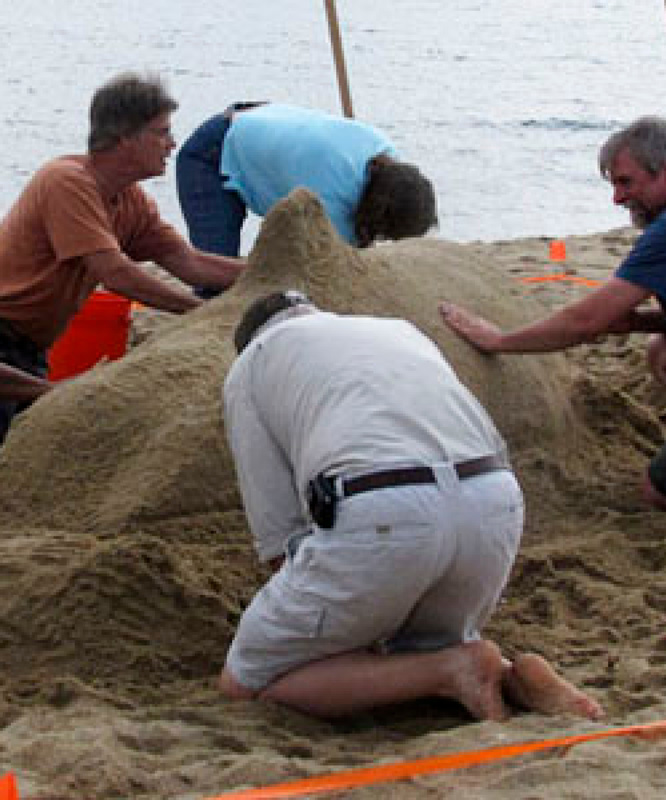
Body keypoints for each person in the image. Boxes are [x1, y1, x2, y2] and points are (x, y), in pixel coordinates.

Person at [218, 290, 602, 722]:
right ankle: (511, 677)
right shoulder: (397, 331)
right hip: (495, 501)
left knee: (248, 680)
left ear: (250, 340)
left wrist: (313, 619)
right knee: (412, 641)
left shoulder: (250, 366)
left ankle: (451, 669)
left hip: (384, 509)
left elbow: (280, 535)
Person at [440, 115, 666, 515]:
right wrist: (638, 320)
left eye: (626, 183)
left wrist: (500, 341)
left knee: (662, 492)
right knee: (662, 353)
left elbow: (585, 321)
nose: (617, 198)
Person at [0, 71, 244, 443]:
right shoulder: (66, 181)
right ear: (126, 138)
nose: (173, 144)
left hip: (32, 346)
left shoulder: (131, 200)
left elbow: (189, 263)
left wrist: (268, 269)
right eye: (162, 132)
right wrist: (202, 314)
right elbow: (114, 273)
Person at [176, 103, 437, 296]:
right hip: (213, 152)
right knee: (215, 278)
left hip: (263, 121)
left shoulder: (388, 154)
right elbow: (326, 267)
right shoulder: (328, 195)